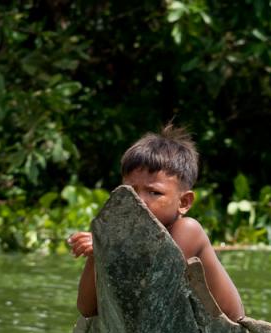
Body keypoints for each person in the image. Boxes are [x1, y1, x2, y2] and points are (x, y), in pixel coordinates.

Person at [68, 124, 245, 321]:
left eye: (154, 193)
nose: (139, 201)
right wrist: (99, 253)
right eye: (131, 191)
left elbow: (147, 296)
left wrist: (110, 249)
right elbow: (87, 309)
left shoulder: (188, 230)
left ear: (184, 202)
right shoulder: (127, 239)